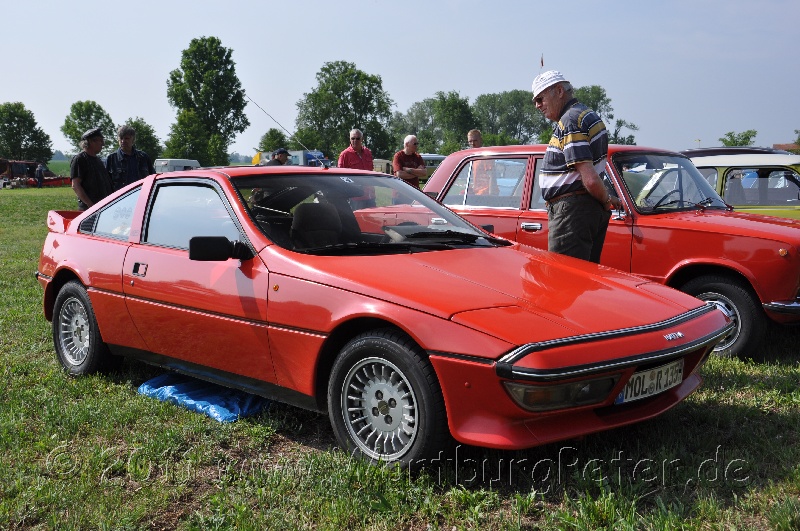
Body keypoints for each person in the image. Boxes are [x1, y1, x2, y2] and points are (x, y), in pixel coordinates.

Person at [532, 70, 622, 263]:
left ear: (559, 91)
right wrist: (606, 200)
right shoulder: (585, 115)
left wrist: (606, 200)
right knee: (582, 276)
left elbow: (589, 178)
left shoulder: (571, 120)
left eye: (540, 98)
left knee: (563, 276)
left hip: (572, 212)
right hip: (581, 208)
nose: (537, 105)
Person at [70, 127, 113, 211]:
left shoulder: (98, 161)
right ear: (90, 141)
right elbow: (75, 185)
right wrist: (90, 205)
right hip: (89, 210)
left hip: (102, 208)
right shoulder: (80, 159)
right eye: (100, 140)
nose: (103, 144)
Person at [106, 125, 155, 191]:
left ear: (133, 140)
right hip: (121, 196)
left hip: (142, 195)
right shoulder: (111, 159)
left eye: (126, 138)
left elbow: (152, 178)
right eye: (121, 138)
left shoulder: (143, 157)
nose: (123, 141)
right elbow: (106, 184)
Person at [338, 128, 375, 208]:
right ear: (350, 139)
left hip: (370, 195)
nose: (355, 140)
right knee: (357, 216)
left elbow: (371, 171)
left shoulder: (368, 152)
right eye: (353, 138)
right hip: (355, 197)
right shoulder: (345, 154)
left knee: (372, 216)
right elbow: (340, 176)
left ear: (362, 139)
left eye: (358, 138)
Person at [466, 129, 498, 195]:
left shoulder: (485, 156)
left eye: (475, 140)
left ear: (480, 140)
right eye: (470, 141)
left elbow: (492, 176)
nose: (472, 144)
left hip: (485, 193)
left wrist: (491, 195)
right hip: (477, 193)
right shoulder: (474, 157)